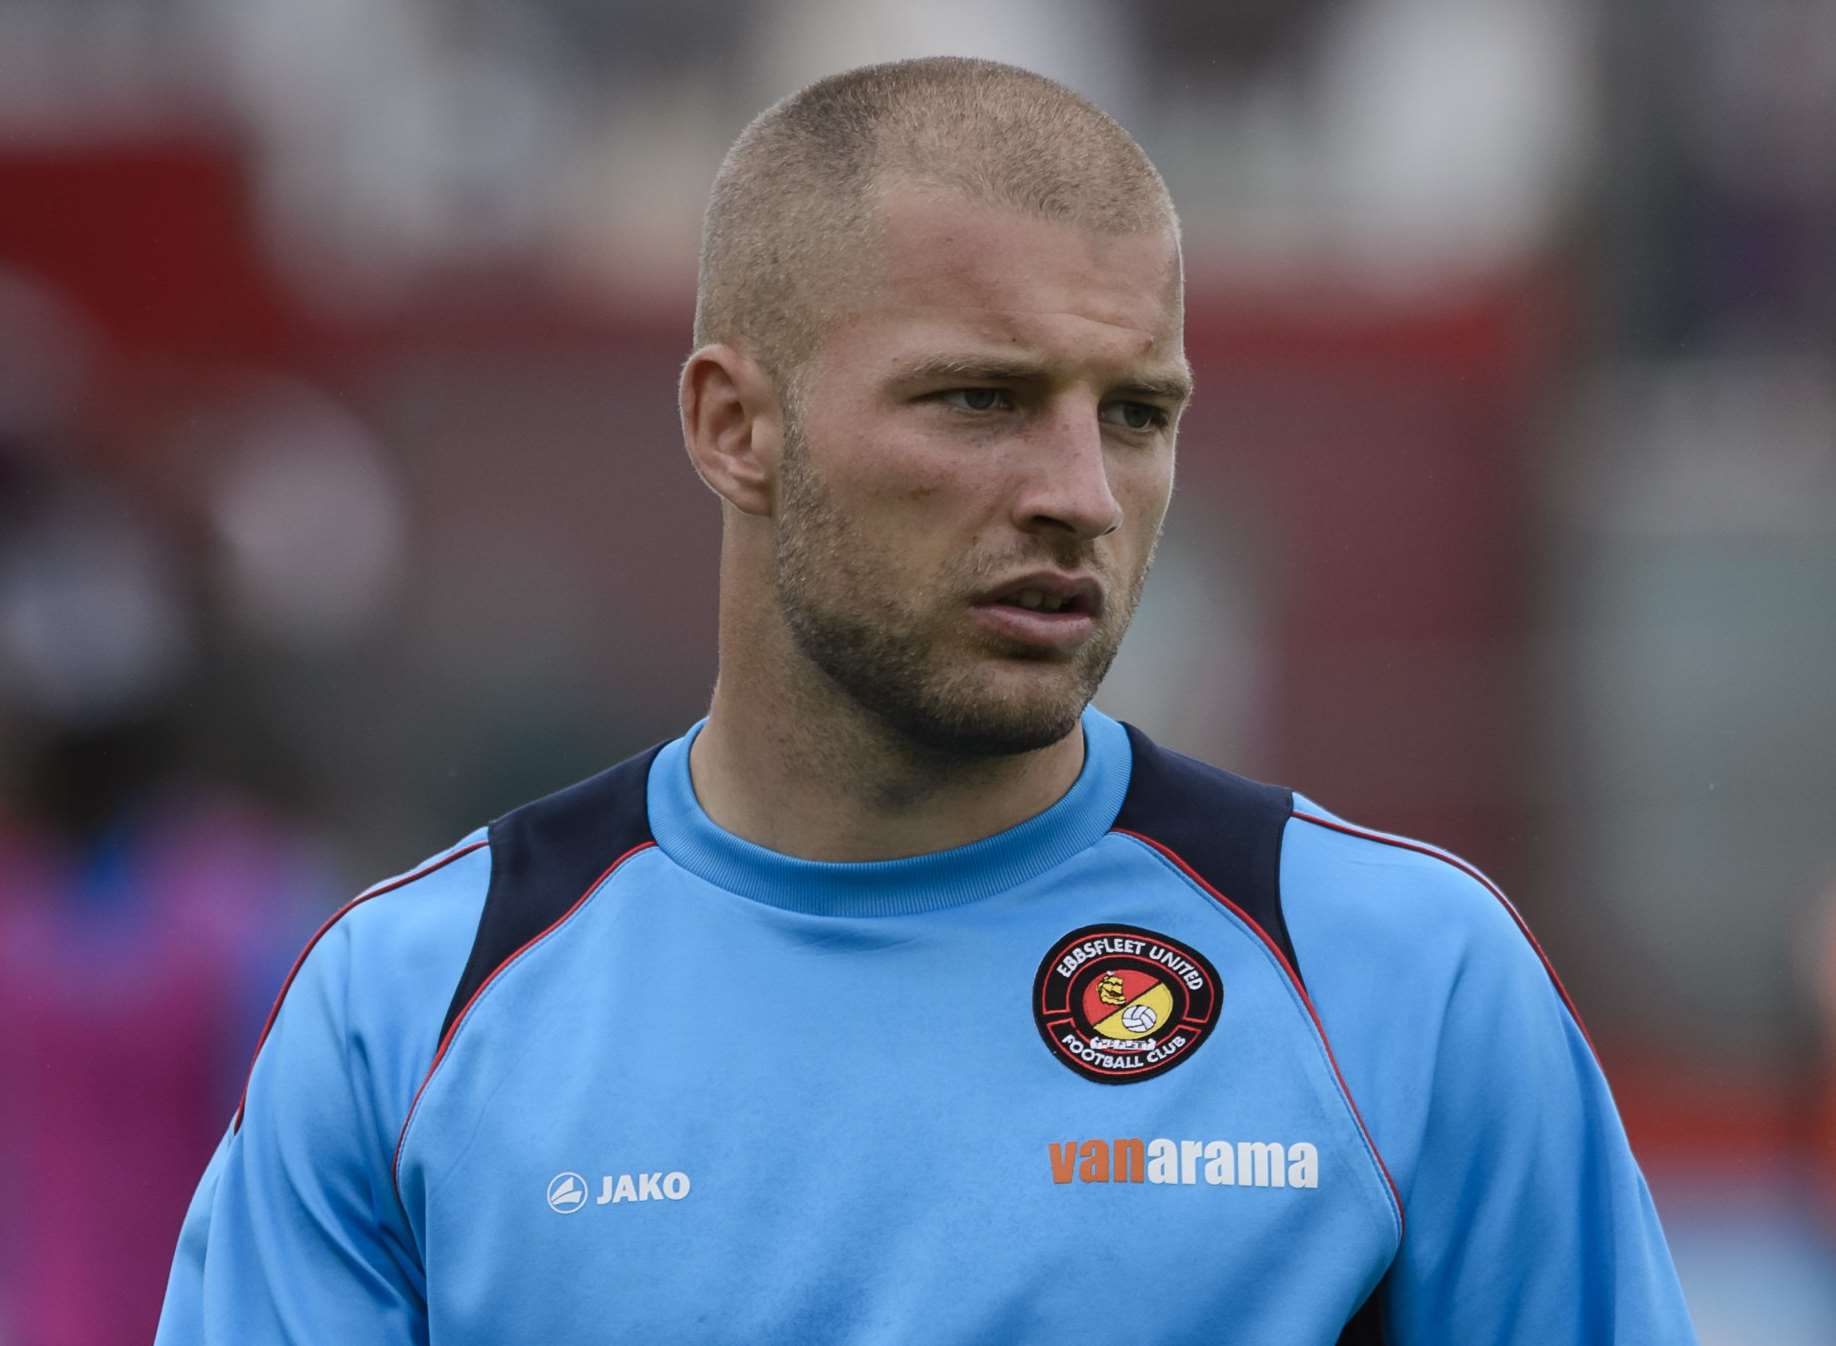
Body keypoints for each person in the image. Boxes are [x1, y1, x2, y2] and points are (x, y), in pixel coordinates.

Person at [156, 57, 1696, 1344]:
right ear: (733, 425)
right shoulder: (408, 1010)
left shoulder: (1405, 986)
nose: (1082, 494)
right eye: (982, 398)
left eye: (1138, 414)